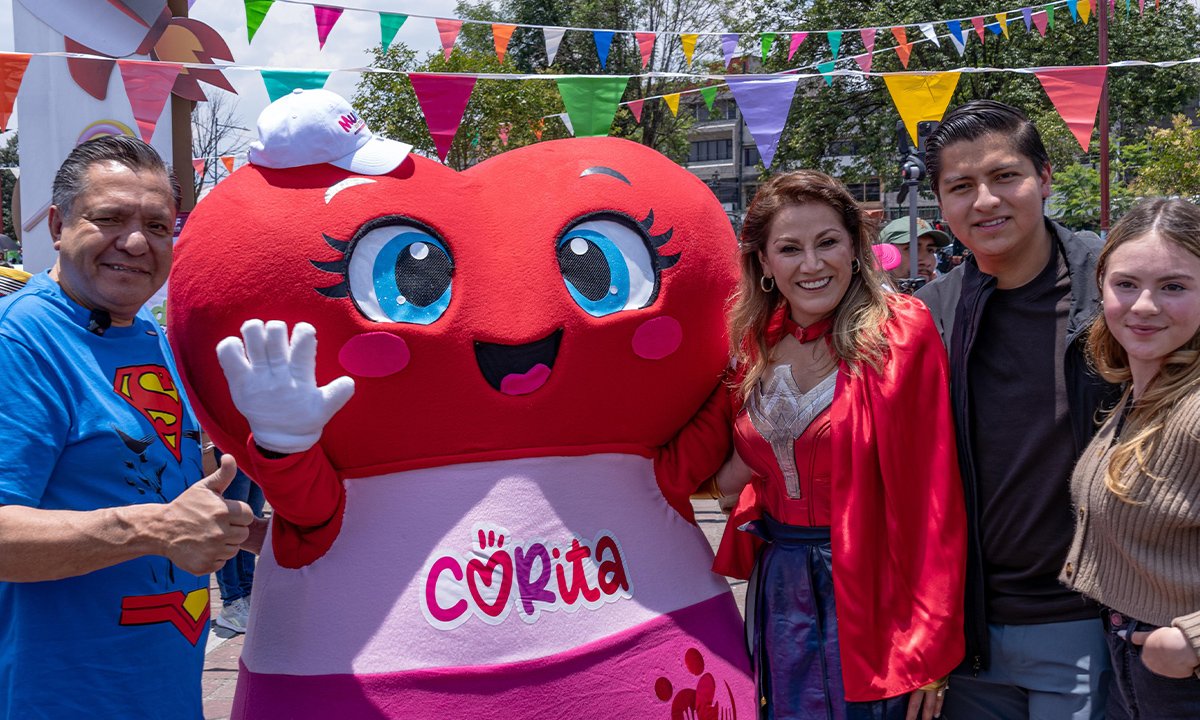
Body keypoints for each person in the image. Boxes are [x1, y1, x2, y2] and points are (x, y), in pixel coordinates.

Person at [0, 135, 260, 719]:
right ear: (58, 225)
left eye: (159, 227)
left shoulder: (154, 340)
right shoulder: (19, 341)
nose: (137, 242)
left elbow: (169, 493)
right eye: (110, 218)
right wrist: (156, 529)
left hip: (160, 687)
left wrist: (255, 532)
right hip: (53, 696)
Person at [712, 170, 967, 720]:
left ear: (855, 247)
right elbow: (732, 463)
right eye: (789, 248)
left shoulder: (899, 332)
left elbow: (933, 501)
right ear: (763, 262)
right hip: (779, 586)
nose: (811, 264)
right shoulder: (751, 345)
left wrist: (930, 645)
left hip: (875, 589)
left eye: (827, 242)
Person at [915, 100, 1120, 719]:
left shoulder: (1117, 293)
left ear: (1045, 178)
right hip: (967, 637)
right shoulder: (927, 315)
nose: (985, 201)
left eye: (1005, 176)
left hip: (1088, 620)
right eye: (961, 186)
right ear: (942, 204)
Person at [1061, 198, 1200, 717]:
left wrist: (1189, 641)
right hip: (1133, 660)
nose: (1144, 305)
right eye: (1126, 284)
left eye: (1174, 286)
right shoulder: (1143, 390)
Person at [211, 446, 265, 634]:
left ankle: (247, 593)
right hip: (229, 447)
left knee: (250, 522)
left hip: (255, 448)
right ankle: (231, 600)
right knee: (231, 525)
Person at [878, 215, 951, 288]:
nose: (926, 261)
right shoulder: (871, 297)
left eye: (930, 250)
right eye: (912, 250)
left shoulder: (945, 294)